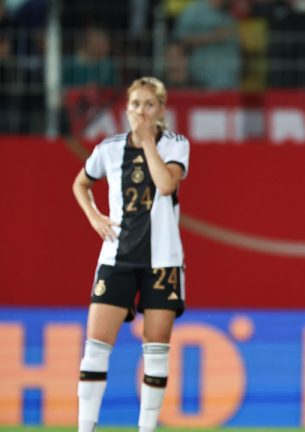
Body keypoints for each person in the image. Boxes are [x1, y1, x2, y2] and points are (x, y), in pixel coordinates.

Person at [72, 77, 190, 432]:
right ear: (126, 109)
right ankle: (85, 427)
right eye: (135, 104)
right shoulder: (108, 148)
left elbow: (167, 184)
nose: (140, 111)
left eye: (149, 105)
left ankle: (147, 429)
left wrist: (148, 143)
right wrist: (94, 216)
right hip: (117, 258)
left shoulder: (175, 145)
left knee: (155, 350)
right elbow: (81, 183)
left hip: (163, 261)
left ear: (161, 110)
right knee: (95, 347)